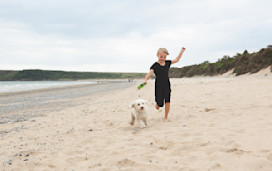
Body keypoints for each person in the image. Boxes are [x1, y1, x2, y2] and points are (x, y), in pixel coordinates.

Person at [144, 47, 186, 121]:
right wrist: (146, 79)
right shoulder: (155, 65)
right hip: (159, 86)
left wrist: (181, 52)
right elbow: (150, 73)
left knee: (167, 101)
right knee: (159, 104)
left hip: (166, 85)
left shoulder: (167, 63)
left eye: (164, 57)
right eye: (161, 57)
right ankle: (157, 104)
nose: (163, 58)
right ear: (157, 55)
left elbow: (177, 60)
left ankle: (165, 117)